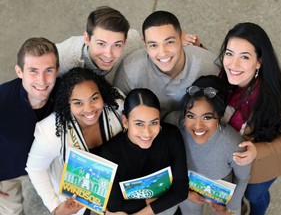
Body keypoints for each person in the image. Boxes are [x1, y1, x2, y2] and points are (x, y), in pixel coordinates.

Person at [26, 67, 124, 215]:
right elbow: (35, 168)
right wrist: (55, 207)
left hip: (117, 194)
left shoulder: (117, 108)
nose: (89, 109)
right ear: (68, 104)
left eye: (94, 98)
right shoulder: (52, 131)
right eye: (78, 103)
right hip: (78, 205)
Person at [218, 22, 281, 215]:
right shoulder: (223, 79)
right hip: (231, 162)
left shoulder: (278, 100)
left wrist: (258, 150)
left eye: (245, 57)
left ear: (259, 62)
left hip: (261, 166)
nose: (233, 64)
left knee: (255, 195)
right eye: (229, 53)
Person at [165, 75, 251, 215]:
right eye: (191, 116)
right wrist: (185, 193)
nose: (198, 126)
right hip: (186, 189)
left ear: (220, 116)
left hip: (222, 197)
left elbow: (242, 179)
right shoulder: (173, 125)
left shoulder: (234, 145)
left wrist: (231, 207)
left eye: (207, 117)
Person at [114, 10, 220, 118]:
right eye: (153, 45)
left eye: (169, 42)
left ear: (181, 37)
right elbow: (117, 113)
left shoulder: (209, 65)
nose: (163, 52)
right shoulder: (130, 71)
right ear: (145, 45)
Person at [100, 88, 188, 214]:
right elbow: (115, 206)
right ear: (125, 121)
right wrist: (164, 199)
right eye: (139, 124)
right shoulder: (110, 153)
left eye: (154, 123)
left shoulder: (171, 136)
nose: (147, 132)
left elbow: (181, 191)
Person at [0, 37, 60, 215]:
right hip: (6, 172)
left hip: (48, 165)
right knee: (11, 211)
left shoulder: (65, 93)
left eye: (48, 70)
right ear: (19, 72)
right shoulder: (1, 100)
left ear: (57, 70)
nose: (42, 80)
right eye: (33, 71)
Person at [56, 6, 143, 84]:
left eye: (117, 45)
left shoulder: (133, 41)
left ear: (125, 43)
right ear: (87, 39)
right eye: (101, 44)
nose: (108, 54)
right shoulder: (62, 57)